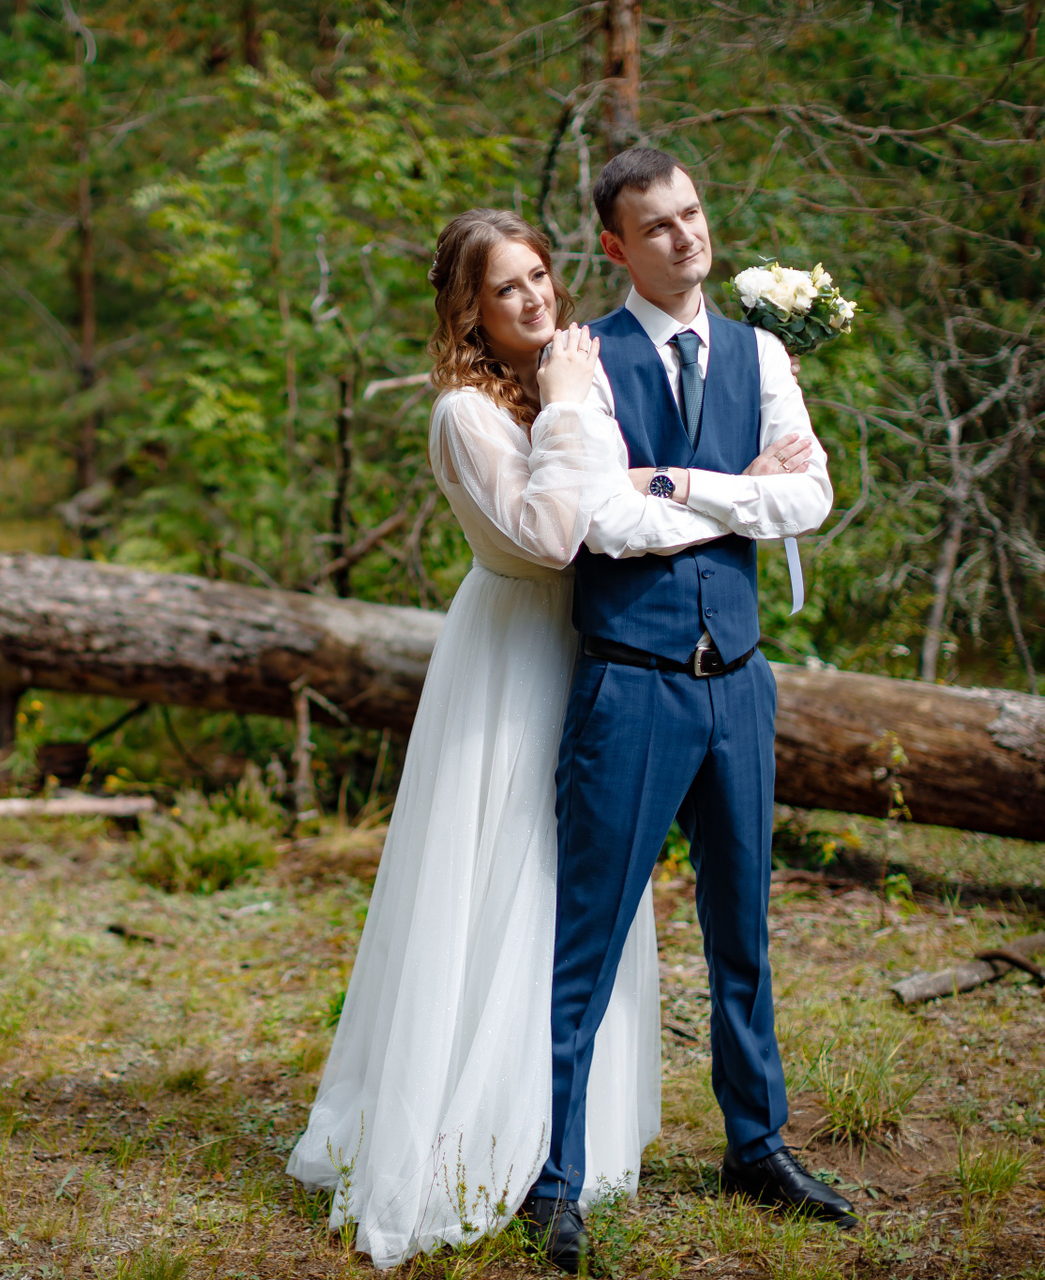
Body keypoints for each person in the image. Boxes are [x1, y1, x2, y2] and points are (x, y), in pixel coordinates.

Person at [286, 207, 805, 1270]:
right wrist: (613, 435)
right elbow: (557, 535)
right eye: (504, 288)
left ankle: (577, 1137)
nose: (533, 299)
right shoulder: (470, 414)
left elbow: (647, 498)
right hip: (518, 660)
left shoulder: (577, 373)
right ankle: (488, 1140)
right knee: (515, 889)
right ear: (467, 311)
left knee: (584, 898)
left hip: (609, 651)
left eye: (538, 276)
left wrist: (705, 485)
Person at [523, 147, 850, 1272]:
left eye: (693, 213)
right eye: (657, 225)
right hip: (631, 683)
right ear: (615, 246)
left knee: (742, 931)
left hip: (741, 684)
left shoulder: (762, 352)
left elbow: (810, 495)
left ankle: (757, 1145)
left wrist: (678, 483)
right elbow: (602, 523)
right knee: (588, 938)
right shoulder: (584, 360)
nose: (686, 236)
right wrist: (742, 494)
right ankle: (554, 1178)